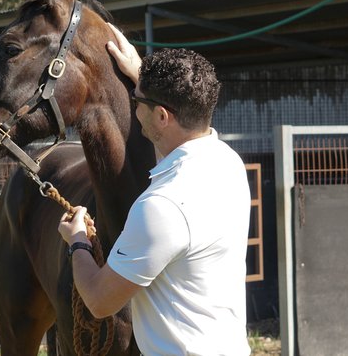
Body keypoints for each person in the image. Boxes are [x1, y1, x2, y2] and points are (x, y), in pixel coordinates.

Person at [58, 23, 251, 355]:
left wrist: (77, 242)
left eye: (137, 101)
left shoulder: (162, 206)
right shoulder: (227, 162)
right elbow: (178, 137)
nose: (133, 108)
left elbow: (99, 301)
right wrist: (139, 74)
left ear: (162, 116)